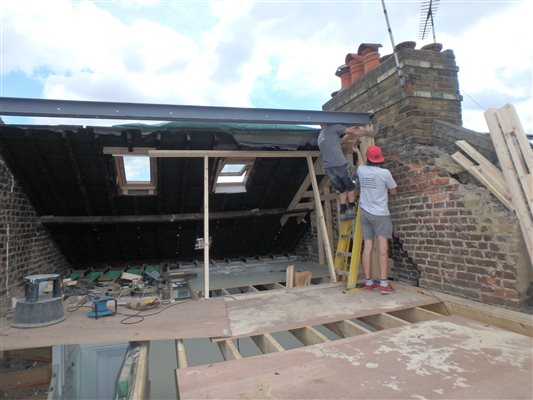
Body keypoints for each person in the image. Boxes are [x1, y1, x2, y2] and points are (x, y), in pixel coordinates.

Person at [353, 143, 397, 294]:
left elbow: (360, 164)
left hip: (365, 213)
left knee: (368, 246)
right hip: (380, 214)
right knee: (383, 248)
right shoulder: (385, 173)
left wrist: (357, 151)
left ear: (368, 158)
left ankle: (369, 283)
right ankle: (384, 284)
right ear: (380, 158)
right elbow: (393, 191)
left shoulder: (361, 170)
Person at [317, 124, 375, 215]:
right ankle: (352, 206)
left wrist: (351, 131)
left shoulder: (321, 136)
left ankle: (343, 209)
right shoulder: (333, 127)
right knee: (350, 184)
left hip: (329, 167)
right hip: (339, 164)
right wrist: (370, 133)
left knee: (341, 188)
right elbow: (354, 132)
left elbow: (342, 140)